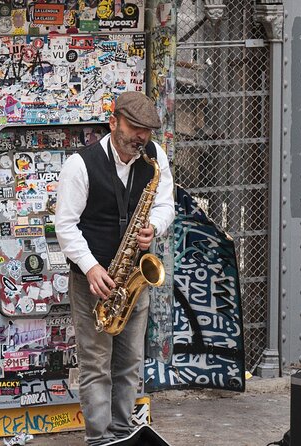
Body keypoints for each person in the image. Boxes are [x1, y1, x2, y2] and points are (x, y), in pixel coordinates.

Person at [55, 91, 175, 446]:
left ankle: (123, 434)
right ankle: (100, 439)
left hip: (133, 277)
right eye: (134, 128)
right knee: (95, 365)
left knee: (130, 362)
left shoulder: (154, 159)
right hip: (95, 280)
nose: (140, 137)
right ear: (113, 123)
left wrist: (154, 225)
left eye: (147, 131)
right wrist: (91, 268)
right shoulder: (80, 164)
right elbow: (65, 224)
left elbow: (166, 203)